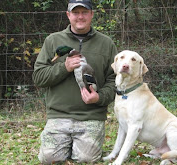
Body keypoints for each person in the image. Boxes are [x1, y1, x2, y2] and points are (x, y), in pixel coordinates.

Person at [32, 0, 118, 164]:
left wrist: (99, 98)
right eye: (75, 12)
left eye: (84, 12)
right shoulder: (52, 41)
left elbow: (115, 81)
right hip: (59, 115)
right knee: (49, 159)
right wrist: (64, 67)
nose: (80, 17)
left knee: (86, 159)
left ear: (92, 14)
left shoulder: (106, 43)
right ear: (68, 15)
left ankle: (83, 144)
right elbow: (39, 77)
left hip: (91, 115)